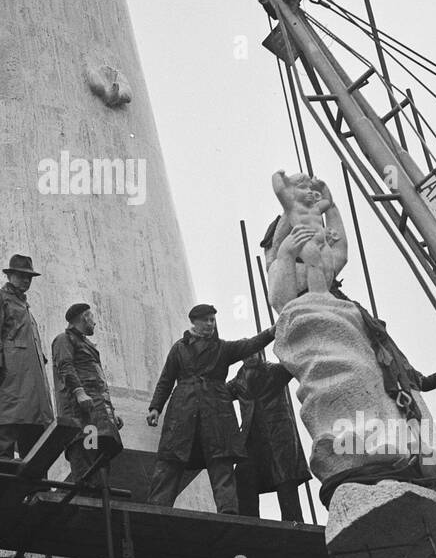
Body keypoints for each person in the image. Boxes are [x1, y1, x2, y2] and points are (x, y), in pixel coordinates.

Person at [146, 304, 275, 515]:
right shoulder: (179, 348)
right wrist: (155, 407)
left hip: (216, 411)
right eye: (205, 320)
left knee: (221, 461)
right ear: (194, 322)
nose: (210, 324)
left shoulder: (222, 348)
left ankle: (228, 512)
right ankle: (157, 509)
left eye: (212, 320)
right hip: (183, 410)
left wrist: (270, 333)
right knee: (171, 460)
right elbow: (166, 379)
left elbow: (249, 345)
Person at [0, 254, 53, 460]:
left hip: (31, 393)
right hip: (10, 383)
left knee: (35, 452)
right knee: (4, 440)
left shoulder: (26, 309)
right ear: (10, 276)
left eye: (29, 277)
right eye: (21, 275)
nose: (26, 280)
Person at [226, 350, 310, 520]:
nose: (249, 356)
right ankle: (248, 525)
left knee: (285, 481)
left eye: (253, 353)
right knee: (243, 477)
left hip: (279, 436)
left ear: (260, 354)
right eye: (246, 354)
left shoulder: (275, 371)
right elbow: (218, 392)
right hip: (251, 439)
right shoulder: (238, 381)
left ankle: (293, 524)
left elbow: (298, 361)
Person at [51, 303, 124, 490]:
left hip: (96, 415)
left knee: (99, 462)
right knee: (86, 459)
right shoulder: (64, 339)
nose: (95, 322)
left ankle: (98, 495)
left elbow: (98, 381)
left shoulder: (85, 344)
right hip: (83, 417)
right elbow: (65, 366)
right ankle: (90, 498)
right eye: (92, 317)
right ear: (84, 317)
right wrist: (79, 392)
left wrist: (110, 412)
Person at [268, 170, 348, 311]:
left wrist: (323, 188)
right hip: (307, 242)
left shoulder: (315, 209)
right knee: (314, 263)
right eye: (303, 188)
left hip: (331, 305)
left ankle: (321, 294)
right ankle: (318, 294)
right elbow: (281, 304)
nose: (309, 191)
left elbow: (329, 203)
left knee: (323, 263)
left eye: (309, 188)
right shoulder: (278, 266)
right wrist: (285, 253)